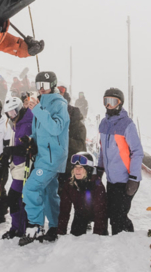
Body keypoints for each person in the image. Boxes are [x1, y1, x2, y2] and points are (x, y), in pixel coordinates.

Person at [20, 71, 70, 245]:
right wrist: (31, 140)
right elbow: (39, 131)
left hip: (52, 157)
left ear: (53, 86)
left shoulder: (59, 104)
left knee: (31, 189)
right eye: (39, 85)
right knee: (49, 193)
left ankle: (35, 225)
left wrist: (38, 110)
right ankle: (56, 227)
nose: (41, 89)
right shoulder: (40, 104)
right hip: (44, 155)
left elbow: (56, 128)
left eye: (45, 85)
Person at [97, 87, 143, 236]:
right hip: (112, 180)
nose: (109, 105)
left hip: (125, 180)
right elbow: (103, 149)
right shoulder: (103, 124)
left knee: (118, 217)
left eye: (113, 102)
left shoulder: (127, 125)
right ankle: (122, 243)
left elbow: (137, 151)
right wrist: (99, 169)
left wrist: (134, 178)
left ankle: (125, 244)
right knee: (113, 214)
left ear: (120, 103)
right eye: (106, 102)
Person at [0, 96, 33, 239]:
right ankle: (18, 227)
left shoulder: (27, 122)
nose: (11, 116)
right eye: (8, 113)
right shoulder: (18, 122)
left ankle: (19, 228)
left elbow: (29, 148)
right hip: (17, 164)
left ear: (19, 108)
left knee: (15, 197)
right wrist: (8, 153)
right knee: (17, 198)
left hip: (25, 164)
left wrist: (12, 151)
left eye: (13, 112)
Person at [57, 96, 87, 235]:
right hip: (61, 165)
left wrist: (64, 139)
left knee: (77, 198)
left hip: (75, 167)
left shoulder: (78, 125)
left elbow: (80, 146)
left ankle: (81, 226)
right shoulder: (60, 123)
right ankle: (59, 227)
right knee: (61, 198)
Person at [60, 152, 108, 236]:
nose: (77, 170)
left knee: (99, 237)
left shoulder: (97, 186)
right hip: (81, 213)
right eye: (75, 167)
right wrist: (60, 233)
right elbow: (64, 209)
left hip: (98, 214)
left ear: (88, 169)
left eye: (81, 167)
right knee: (75, 237)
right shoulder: (69, 184)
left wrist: (98, 236)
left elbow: (100, 213)